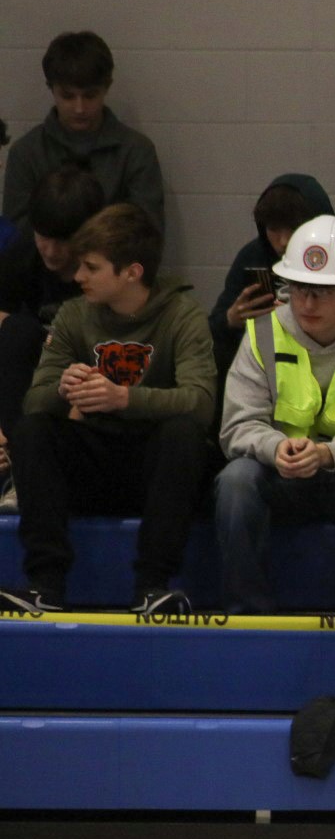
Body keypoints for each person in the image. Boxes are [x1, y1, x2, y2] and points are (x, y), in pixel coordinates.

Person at [2, 205, 213, 616]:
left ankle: (153, 587)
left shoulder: (182, 315)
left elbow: (201, 402)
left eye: (91, 267)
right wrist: (63, 389)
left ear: (131, 272)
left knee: (185, 434)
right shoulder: (74, 314)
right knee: (32, 431)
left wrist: (125, 398)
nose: (77, 276)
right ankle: (45, 585)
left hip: (154, 467)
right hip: (93, 458)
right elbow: (35, 400)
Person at [214, 216, 335, 614]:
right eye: (299, 288)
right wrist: (275, 448)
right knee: (235, 479)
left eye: (322, 292)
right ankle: (248, 613)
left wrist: (328, 454)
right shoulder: (262, 334)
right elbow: (237, 425)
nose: (306, 303)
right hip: (279, 474)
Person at [209, 174, 335, 385]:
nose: (283, 240)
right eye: (273, 229)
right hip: (269, 367)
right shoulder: (252, 256)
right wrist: (230, 320)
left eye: (294, 228)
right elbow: (212, 328)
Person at [4, 31, 166, 236]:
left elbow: (148, 235)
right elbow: (15, 238)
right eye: (68, 96)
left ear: (106, 88)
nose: (79, 108)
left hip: (111, 259)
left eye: (90, 96)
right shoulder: (26, 153)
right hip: (47, 258)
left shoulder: (137, 151)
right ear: (51, 89)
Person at [0, 168, 104, 441]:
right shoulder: (22, 251)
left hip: (88, 362)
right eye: (43, 237)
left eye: (62, 241)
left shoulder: (106, 264)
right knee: (16, 330)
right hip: (36, 360)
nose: (50, 250)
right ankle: (12, 439)